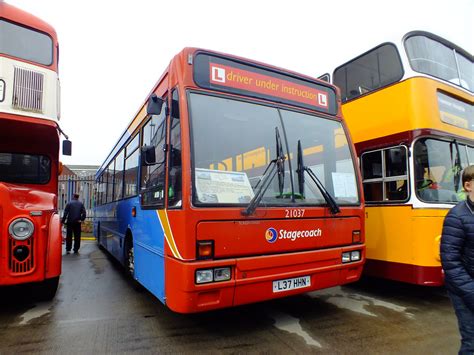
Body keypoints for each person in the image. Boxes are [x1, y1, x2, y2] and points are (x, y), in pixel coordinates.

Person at [441, 165, 474, 354]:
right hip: (464, 290)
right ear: (468, 186)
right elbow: (451, 263)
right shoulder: (456, 217)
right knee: (472, 342)